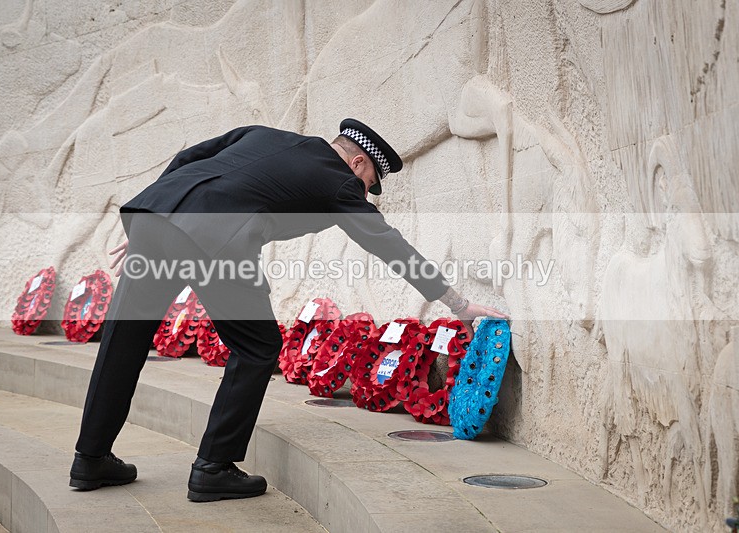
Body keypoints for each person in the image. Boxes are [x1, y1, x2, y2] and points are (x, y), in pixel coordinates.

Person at [69, 118, 508, 502]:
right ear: (357, 164)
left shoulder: (262, 134)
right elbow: (386, 242)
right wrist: (458, 303)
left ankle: (89, 459)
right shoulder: (339, 182)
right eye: (368, 182)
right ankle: (213, 469)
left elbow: (188, 157)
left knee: (124, 337)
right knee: (258, 346)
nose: (362, 194)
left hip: (156, 216)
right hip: (215, 241)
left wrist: (159, 219)